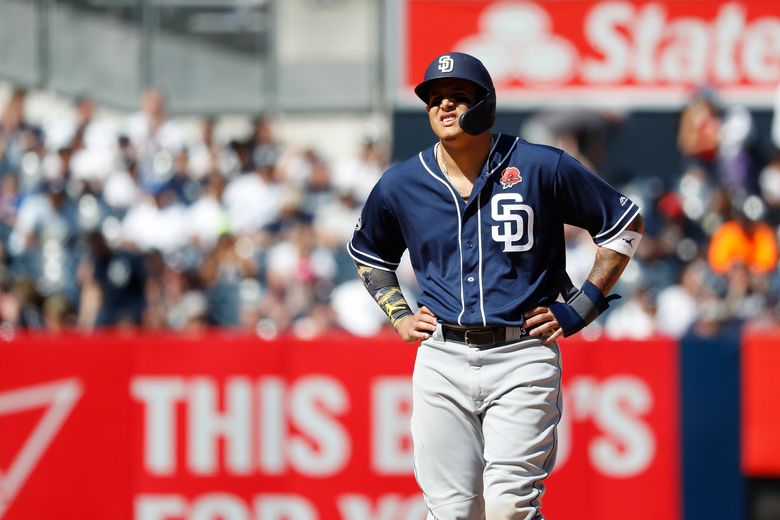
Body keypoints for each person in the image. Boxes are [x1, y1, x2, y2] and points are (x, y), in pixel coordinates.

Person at [348, 52, 644, 519]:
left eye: (458, 97)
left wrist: (583, 306)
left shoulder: (542, 166)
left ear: (486, 105)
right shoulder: (402, 183)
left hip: (522, 352)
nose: (444, 106)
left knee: (509, 507)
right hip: (442, 355)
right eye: (435, 98)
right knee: (453, 512)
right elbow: (369, 253)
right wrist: (398, 313)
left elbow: (624, 224)